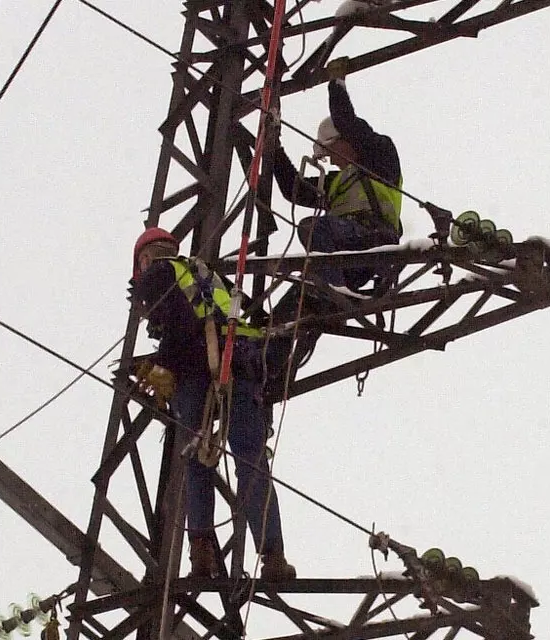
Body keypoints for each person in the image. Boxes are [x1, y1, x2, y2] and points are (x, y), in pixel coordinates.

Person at [129, 227, 296, 581]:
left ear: (144, 259)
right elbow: (212, 318)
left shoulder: (159, 273)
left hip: (194, 372)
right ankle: (274, 556)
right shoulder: (203, 273)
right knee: (251, 461)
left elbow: (178, 323)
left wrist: (164, 366)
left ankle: (201, 555)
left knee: (197, 457)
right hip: (239, 363)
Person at [273, 66, 404, 295]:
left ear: (344, 141)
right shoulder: (338, 182)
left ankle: (332, 291)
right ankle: (322, 296)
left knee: (313, 228)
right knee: (299, 295)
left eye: (330, 151)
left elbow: (347, 123)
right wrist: (274, 148)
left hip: (375, 240)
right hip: (349, 256)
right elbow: (293, 190)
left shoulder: (381, 156)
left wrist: (336, 83)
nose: (332, 161)